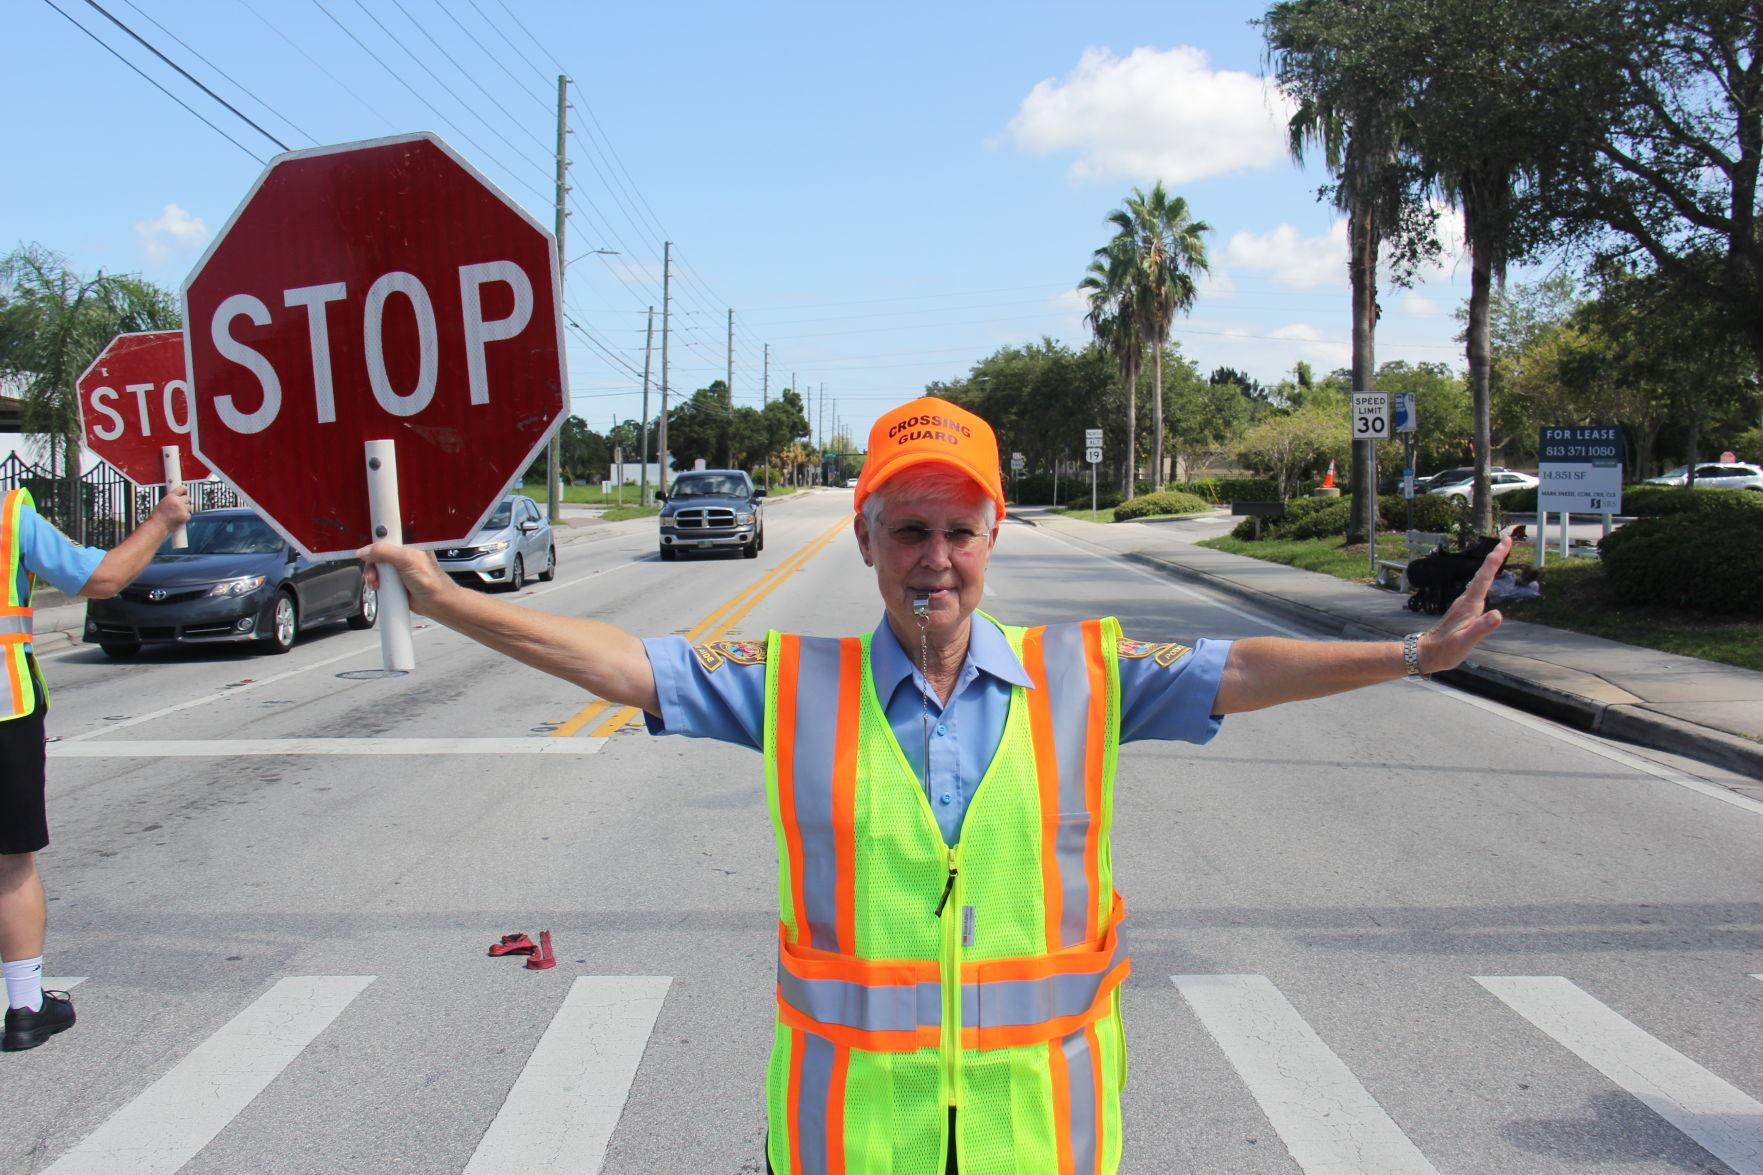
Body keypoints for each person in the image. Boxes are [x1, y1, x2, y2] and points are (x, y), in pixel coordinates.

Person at [360, 397, 1510, 1174]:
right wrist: (451, 599)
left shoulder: (1087, 675)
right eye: (907, 529)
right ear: (864, 541)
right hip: (846, 1141)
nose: (935, 557)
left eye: (958, 529)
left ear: (991, 533)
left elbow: (1240, 666)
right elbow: (622, 663)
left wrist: (1407, 653)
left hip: (1038, 1140)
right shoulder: (790, 682)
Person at [1, 483, 191, 1052]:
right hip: (4, 708)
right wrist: (162, 520)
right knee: (10, 863)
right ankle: (27, 1007)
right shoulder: (9, 515)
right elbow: (103, 579)